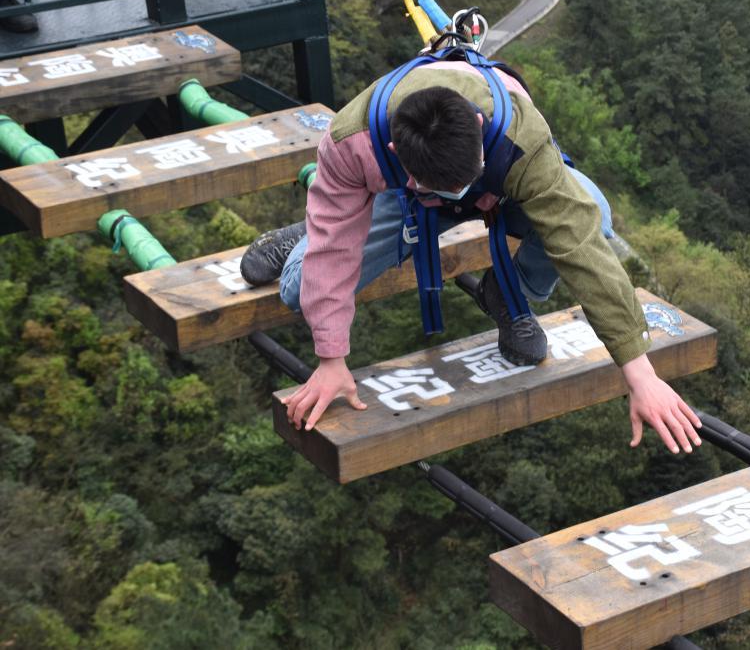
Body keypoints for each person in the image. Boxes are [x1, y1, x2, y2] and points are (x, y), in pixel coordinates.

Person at [241, 54, 703, 455]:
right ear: (394, 151)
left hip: (500, 187)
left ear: (479, 128)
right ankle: (314, 226)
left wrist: (639, 372)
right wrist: (331, 359)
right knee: (301, 289)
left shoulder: (519, 132)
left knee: (594, 214)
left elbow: (577, 241)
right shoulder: (352, 142)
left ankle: (507, 294)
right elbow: (335, 255)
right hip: (406, 200)